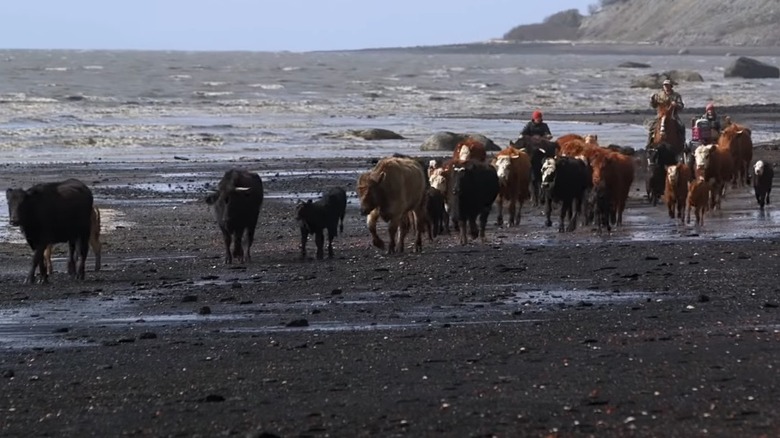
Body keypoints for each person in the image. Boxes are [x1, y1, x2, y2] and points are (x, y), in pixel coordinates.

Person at [647, 79, 685, 147]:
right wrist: (652, 100)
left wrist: (676, 104)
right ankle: (649, 144)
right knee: (651, 127)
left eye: (667, 85)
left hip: (673, 115)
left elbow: (681, 106)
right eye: (665, 85)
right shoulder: (659, 95)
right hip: (660, 115)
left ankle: (682, 144)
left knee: (681, 126)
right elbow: (654, 105)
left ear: (671, 86)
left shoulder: (676, 95)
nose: (666, 87)